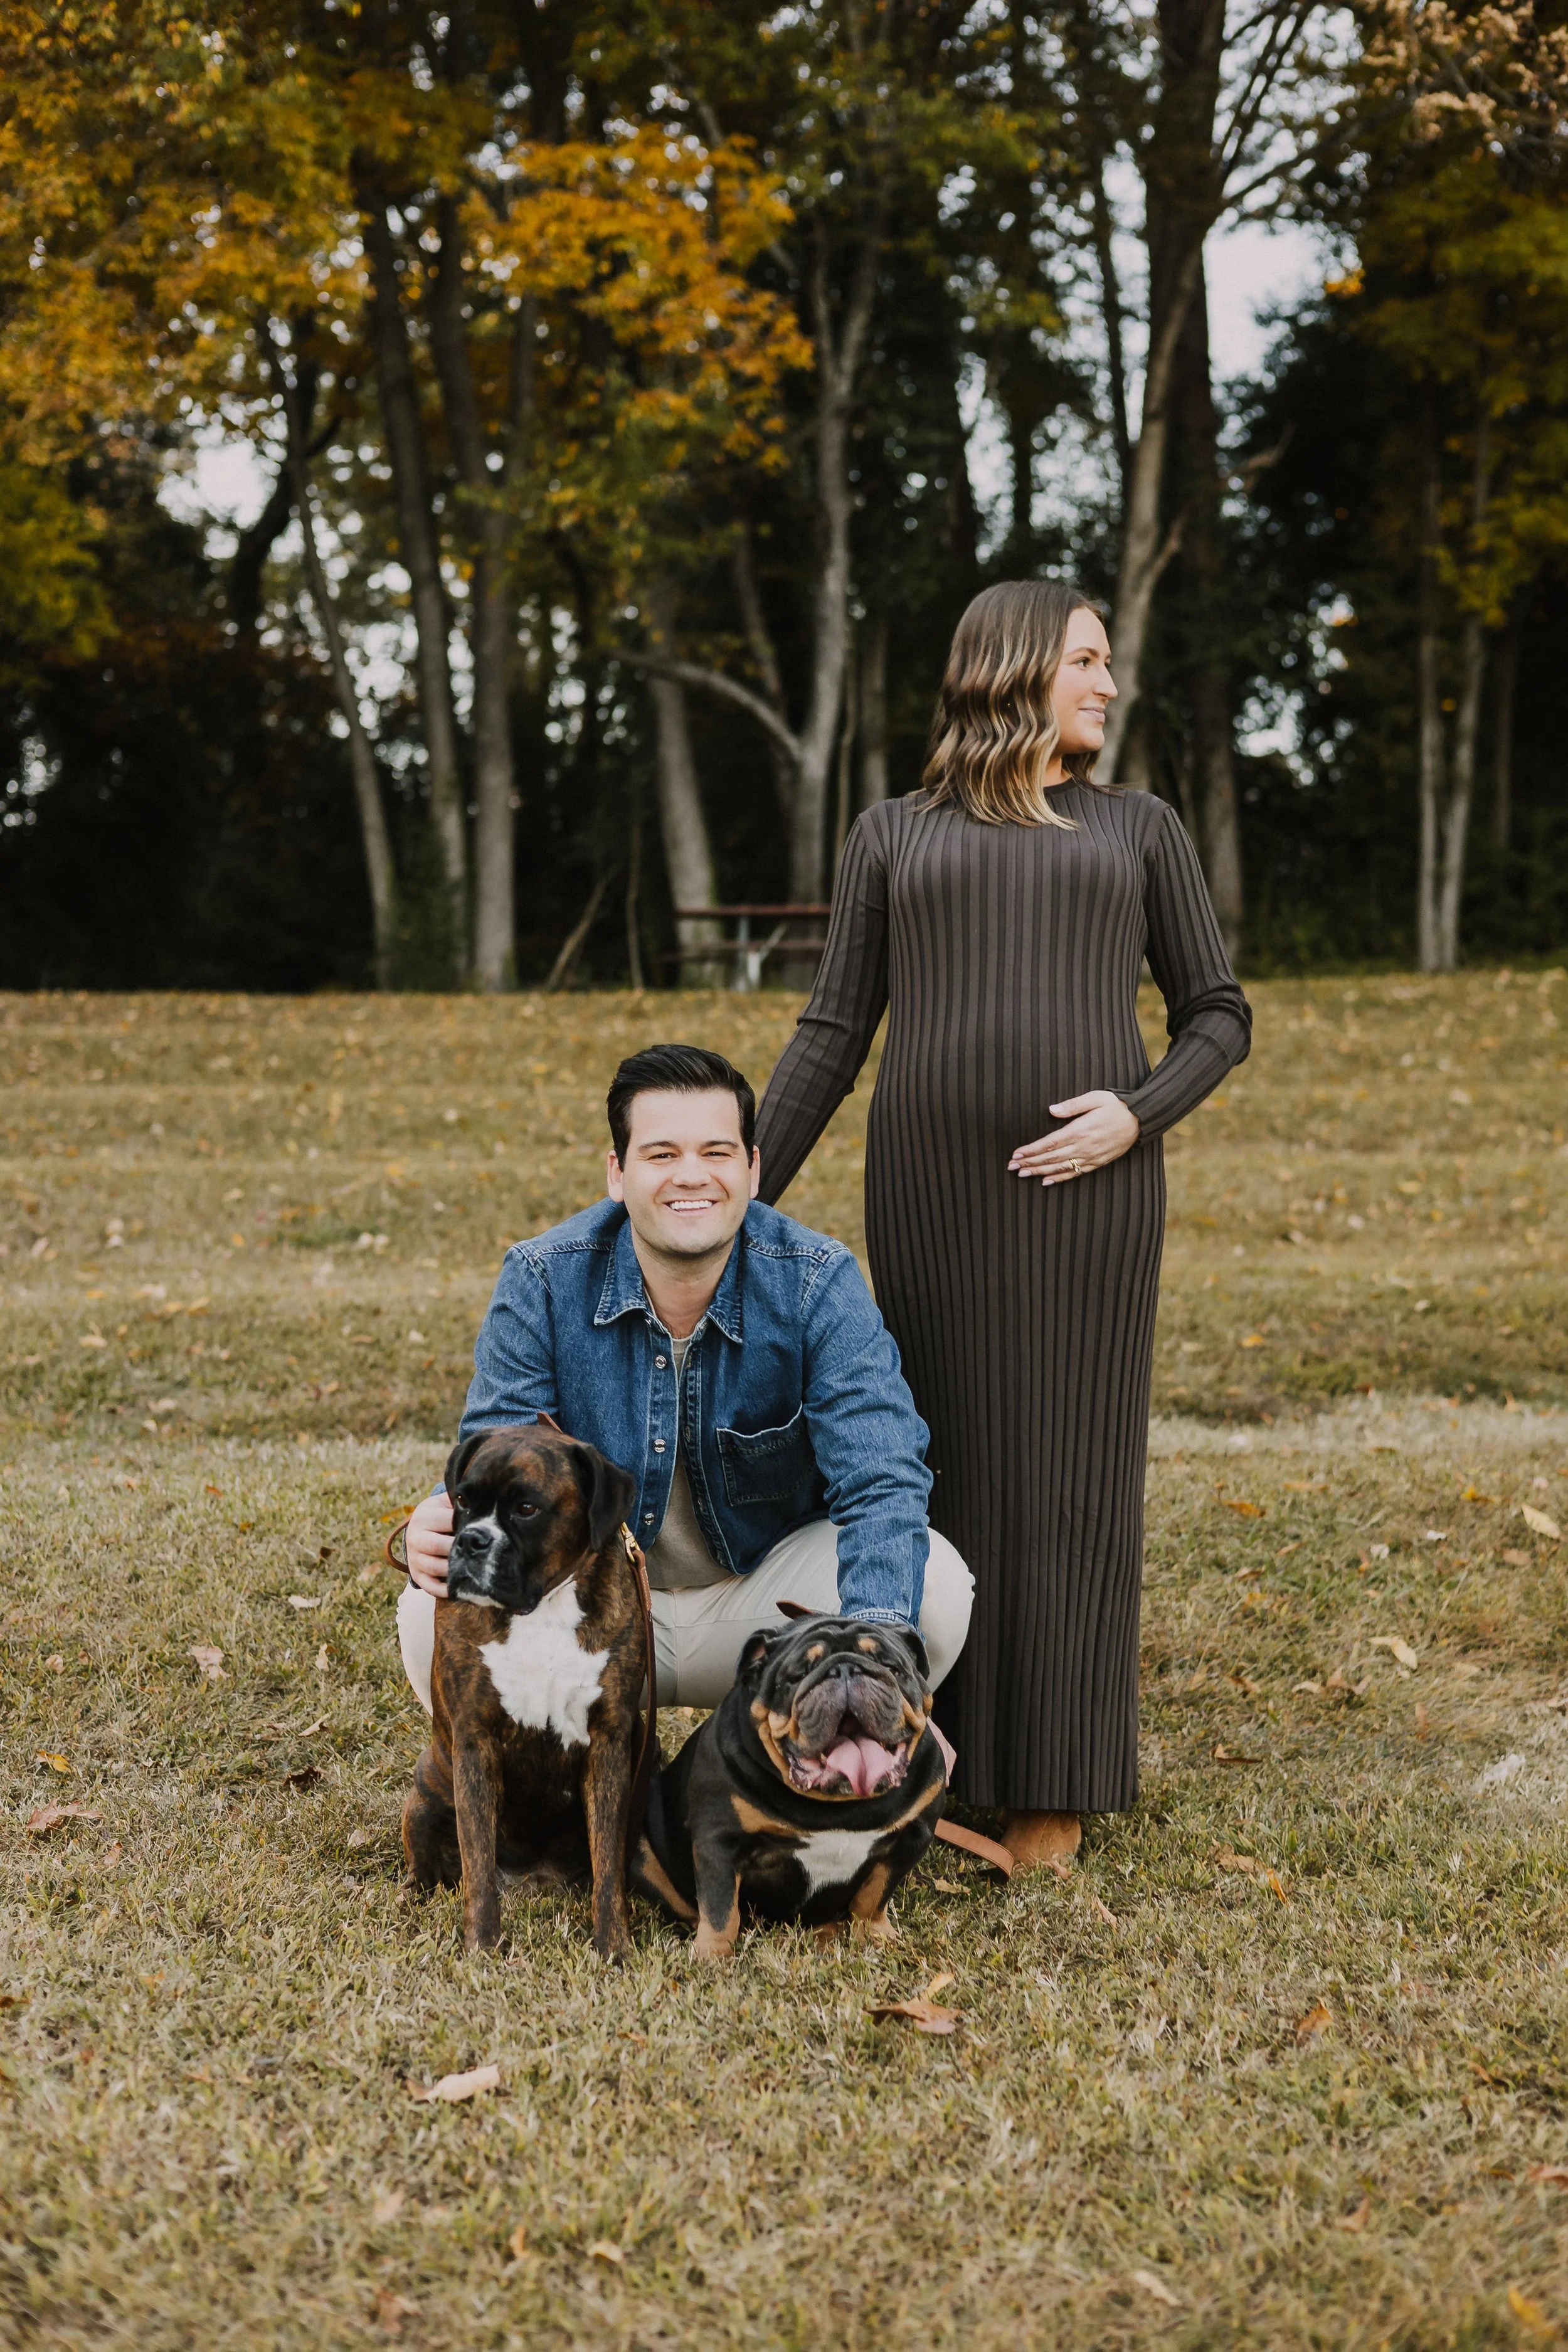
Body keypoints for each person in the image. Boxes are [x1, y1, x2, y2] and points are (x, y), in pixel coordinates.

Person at [751, 584, 1251, 1872]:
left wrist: (1133, 1118)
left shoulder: (1137, 829)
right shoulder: (890, 835)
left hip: (1088, 1206)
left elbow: (1217, 1013)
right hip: (926, 1197)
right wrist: (731, 1191)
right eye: (1085, 658)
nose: (1105, 681)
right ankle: (927, 1765)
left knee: (1069, 1486)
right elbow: (830, 1032)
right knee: (937, 1463)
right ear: (1018, 669)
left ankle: (1054, 1800)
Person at [399, 1043, 973, 1715]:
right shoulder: (543, 1279)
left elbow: (882, 1477)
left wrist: (873, 1663)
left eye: (717, 1152)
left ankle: (762, 1779)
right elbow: (493, 1464)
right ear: (618, 1173)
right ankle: (544, 1800)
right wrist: (435, 1526)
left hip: (760, 1602)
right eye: (662, 1155)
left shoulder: (817, 1280)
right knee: (427, 1608)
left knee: (931, 1587)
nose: (691, 1177)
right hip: (584, 1603)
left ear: (752, 1169)